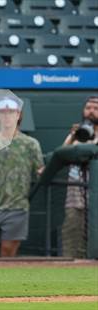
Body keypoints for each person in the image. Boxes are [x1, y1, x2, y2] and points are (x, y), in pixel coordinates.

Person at [0, 97, 44, 258]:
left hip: (18, 209)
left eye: (11, 112)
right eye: (3, 112)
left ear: (18, 115)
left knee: (7, 255)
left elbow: (40, 170)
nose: (7, 116)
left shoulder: (31, 145)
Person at [62, 96, 98, 258]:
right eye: (88, 108)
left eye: (96, 108)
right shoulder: (76, 136)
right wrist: (73, 136)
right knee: (72, 244)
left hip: (95, 201)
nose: (91, 111)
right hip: (75, 200)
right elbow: (61, 155)